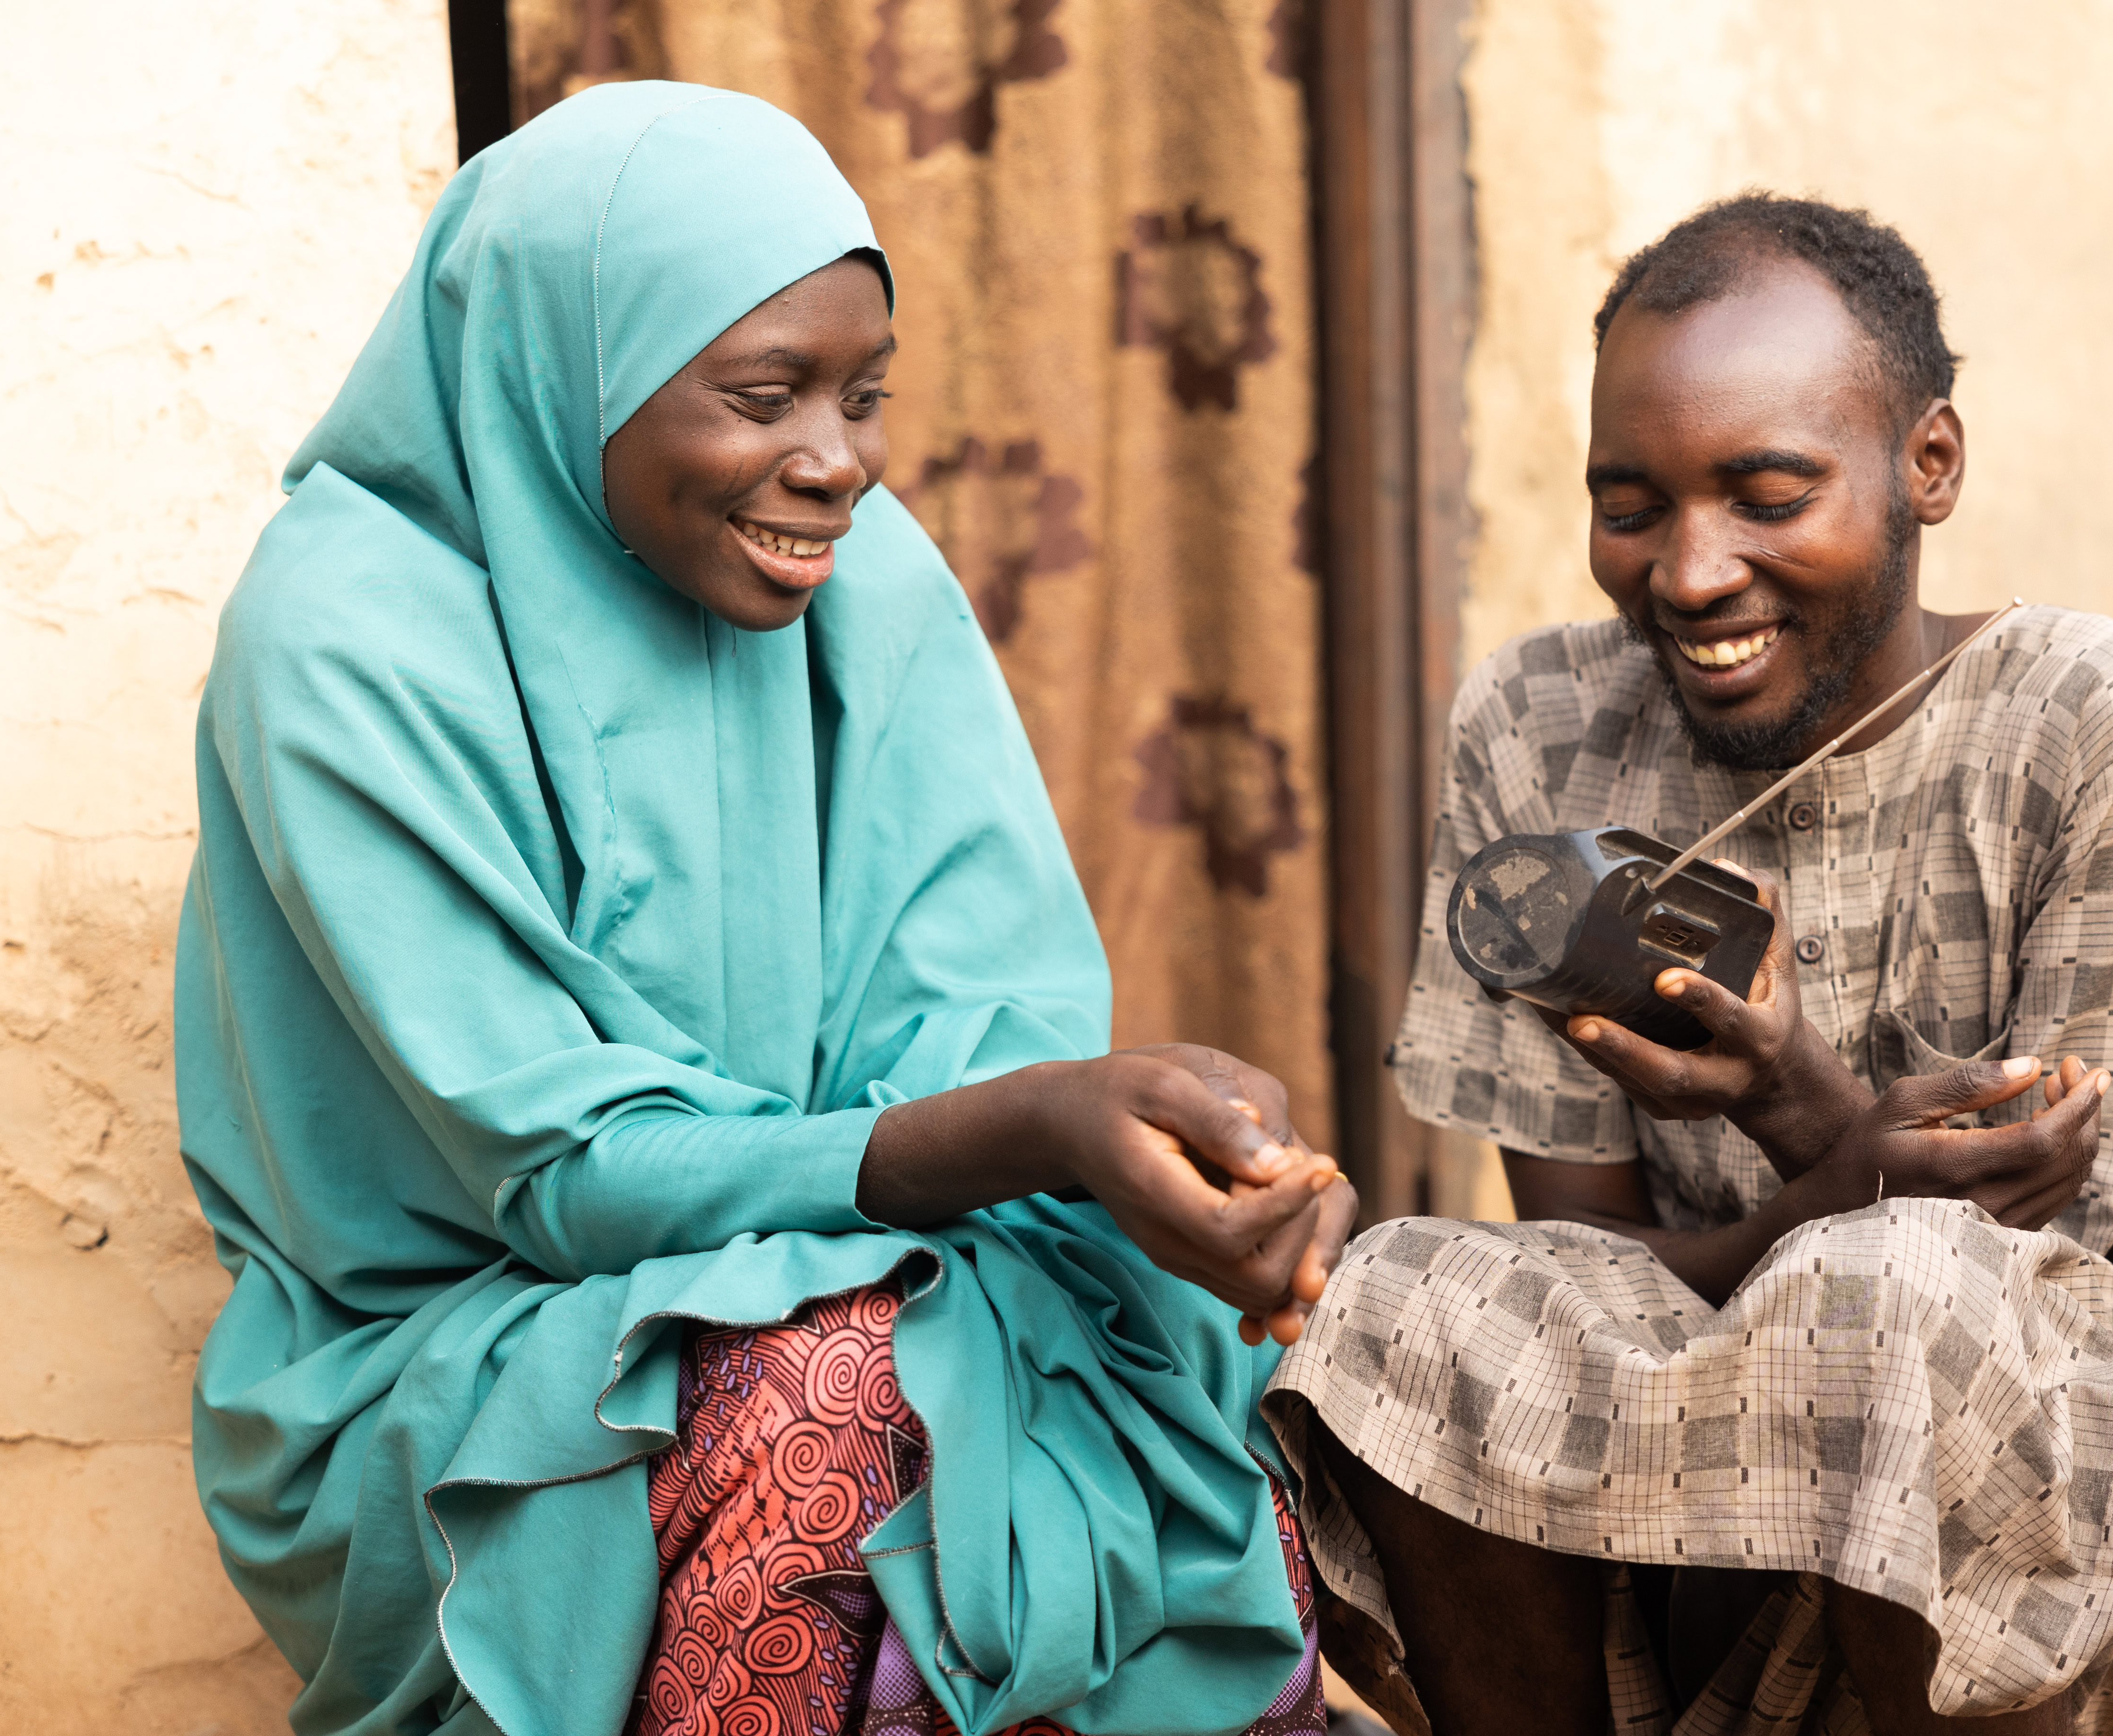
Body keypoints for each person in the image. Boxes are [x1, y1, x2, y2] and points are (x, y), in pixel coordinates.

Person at [177, 84, 1354, 1736]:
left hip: (855, 1258)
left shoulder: (860, 580)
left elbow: (986, 1010)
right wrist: (1037, 1125)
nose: (839, 464)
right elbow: (563, 1175)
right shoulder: (347, 638)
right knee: (836, 1396)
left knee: (1201, 1344)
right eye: (761, 396)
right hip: (446, 1361)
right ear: (564, 363)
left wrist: (1157, 1156)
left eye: (867, 397)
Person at [1265, 194, 2113, 1734]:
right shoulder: (1542, 726)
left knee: (1899, 1284)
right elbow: (1591, 1280)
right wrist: (1836, 1182)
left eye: (1768, 493)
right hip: (1674, 1516)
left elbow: (2051, 1312)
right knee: (1401, 1290)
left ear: (1928, 466)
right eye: (1631, 506)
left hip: (2080, 1545)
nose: (1691, 574)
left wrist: (1804, 1111)